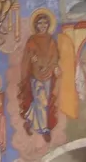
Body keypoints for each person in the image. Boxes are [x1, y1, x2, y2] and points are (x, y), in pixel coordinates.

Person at [18, 12, 60, 142]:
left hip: (48, 74)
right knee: (41, 101)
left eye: (45, 23)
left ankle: (29, 120)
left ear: (48, 25)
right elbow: (28, 56)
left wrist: (52, 66)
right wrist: (33, 59)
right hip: (35, 75)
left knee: (44, 102)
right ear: (36, 25)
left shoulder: (51, 40)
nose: (43, 25)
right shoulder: (32, 40)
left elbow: (54, 57)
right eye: (40, 23)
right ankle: (44, 129)